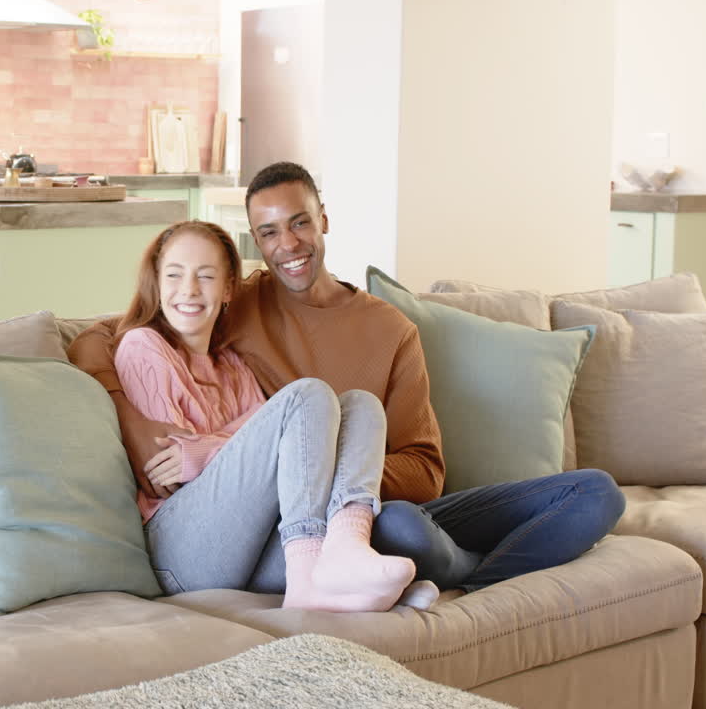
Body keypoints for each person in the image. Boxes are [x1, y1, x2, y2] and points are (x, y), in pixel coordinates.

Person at [69, 161, 625, 597]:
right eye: (268, 233)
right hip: (286, 524)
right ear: (255, 246)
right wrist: (128, 415)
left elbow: (426, 471)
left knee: (593, 491)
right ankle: (450, 570)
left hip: (362, 506)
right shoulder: (235, 304)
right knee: (405, 532)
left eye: (299, 222)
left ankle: (459, 575)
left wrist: (323, 474)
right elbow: (104, 333)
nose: (287, 245)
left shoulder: (390, 330)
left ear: (324, 220)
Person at [111, 219, 425, 612]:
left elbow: (245, 457)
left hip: (242, 545)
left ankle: (347, 547)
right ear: (155, 283)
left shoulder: (233, 364)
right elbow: (170, 471)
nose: (188, 290)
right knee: (308, 395)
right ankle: (310, 572)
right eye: (174, 275)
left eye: (205, 276)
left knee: (361, 405)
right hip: (179, 552)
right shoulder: (143, 347)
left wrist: (207, 448)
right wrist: (227, 446)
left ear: (227, 289)